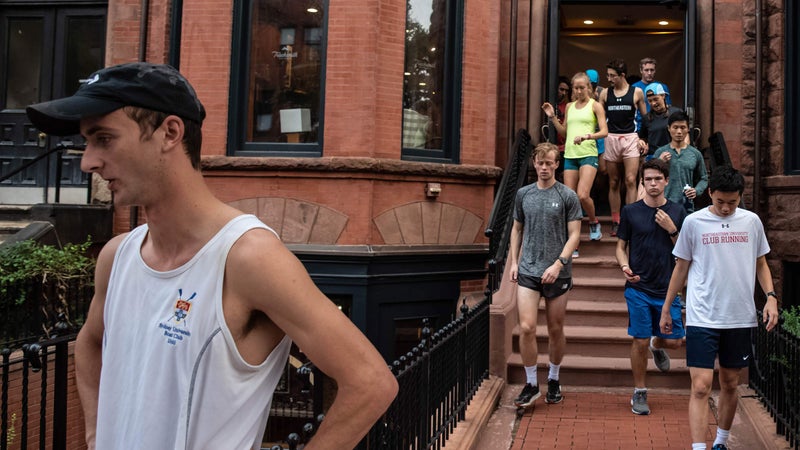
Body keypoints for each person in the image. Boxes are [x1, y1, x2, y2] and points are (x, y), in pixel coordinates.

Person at [25, 62, 398, 449]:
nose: (88, 162)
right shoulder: (117, 256)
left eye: (104, 138)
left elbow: (370, 382)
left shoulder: (247, 257)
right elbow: (89, 343)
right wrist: (96, 433)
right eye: (87, 142)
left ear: (170, 132)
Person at [660, 165, 779, 450]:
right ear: (709, 193)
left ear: (740, 197)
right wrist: (667, 307)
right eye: (720, 201)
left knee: (729, 383)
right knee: (700, 386)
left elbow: (761, 262)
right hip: (703, 314)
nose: (726, 207)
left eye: (732, 202)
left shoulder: (751, 222)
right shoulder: (694, 222)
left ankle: (721, 441)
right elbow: (681, 267)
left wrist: (771, 296)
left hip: (739, 316)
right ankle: (699, 447)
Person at [509, 142, 582, 407]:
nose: (544, 168)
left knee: (555, 329)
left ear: (556, 164)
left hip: (557, 273)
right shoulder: (523, 194)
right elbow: (517, 229)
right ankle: (531, 384)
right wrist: (514, 262)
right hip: (528, 269)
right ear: (534, 164)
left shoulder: (567, 196)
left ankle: (553, 378)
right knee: (527, 327)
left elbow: (575, 234)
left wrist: (559, 264)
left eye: (549, 163)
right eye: (540, 163)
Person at [615, 159, 686, 415]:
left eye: (658, 179)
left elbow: (686, 252)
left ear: (666, 181)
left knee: (676, 342)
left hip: (668, 289)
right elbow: (620, 247)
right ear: (642, 183)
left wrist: (672, 229)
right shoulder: (630, 211)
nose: (653, 184)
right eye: (648, 180)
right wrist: (624, 266)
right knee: (640, 339)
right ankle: (640, 392)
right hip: (638, 288)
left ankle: (659, 345)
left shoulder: (678, 212)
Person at [542, 72, 608, 245]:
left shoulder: (595, 106)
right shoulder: (570, 107)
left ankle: (594, 222)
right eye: (576, 88)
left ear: (588, 87)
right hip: (570, 155)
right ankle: (574, 241)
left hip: (588, 153)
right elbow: (564, 132)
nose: (579, 91)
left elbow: (604, 131)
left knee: (583, 195)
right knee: (570, 199)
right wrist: (552, 117)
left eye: (582, 87)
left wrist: (587, 136)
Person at [599, 59, 648, 236]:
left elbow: (645, 118)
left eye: (612, 75)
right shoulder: (605, 93)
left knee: (629, 179)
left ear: (622, 76)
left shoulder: (637, 93)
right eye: (608, 75)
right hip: (611, 137)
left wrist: (643, 138)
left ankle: (631, 219)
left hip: (630, 138)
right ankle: (615, 220)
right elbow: (600, 119)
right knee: (613, 181)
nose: (609, 78)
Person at [653, 111, 708, 214]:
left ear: (688, 129)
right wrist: (660, 162)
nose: (679, 132)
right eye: (675, 127)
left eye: (682, 128)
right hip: (663, 205)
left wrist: (696, 190)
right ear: (669, 128)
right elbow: (650, 177)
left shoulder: (695, 154)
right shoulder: (660, 152)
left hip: (686, 207)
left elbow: (704, 178)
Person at [637, 83, 683, 158]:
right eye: (650, 101)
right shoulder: (647, 118)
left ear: (663, 96)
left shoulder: (676, 113)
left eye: (656, 99)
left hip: (674, 155)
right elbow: (643, 137)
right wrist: (641, 142)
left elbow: (686, 135)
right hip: (654, 157)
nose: (653, 103)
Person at [632, 57, 672, 130]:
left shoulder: (662, 87)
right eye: (646, 70)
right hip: (640, 126)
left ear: (655, 71)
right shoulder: (634, 88)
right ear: (641, 71)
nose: (649, 73)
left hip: (660, 126)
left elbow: (668, 107)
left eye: (652, 70)